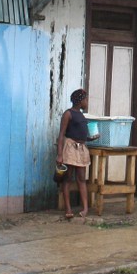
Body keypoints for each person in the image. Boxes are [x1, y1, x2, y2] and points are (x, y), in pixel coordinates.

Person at [57, 88, 91, 219]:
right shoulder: (68, 114)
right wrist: (60, 154)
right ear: (80, 101)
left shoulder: (81, 115)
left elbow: (81, 133)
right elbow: (61, 135)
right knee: (67, 178)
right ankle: (68, 209)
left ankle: (85, 208)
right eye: (86, 99)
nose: (87, 102)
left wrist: (89, 138)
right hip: (70, 148)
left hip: (81, 148)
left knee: (81, 179)